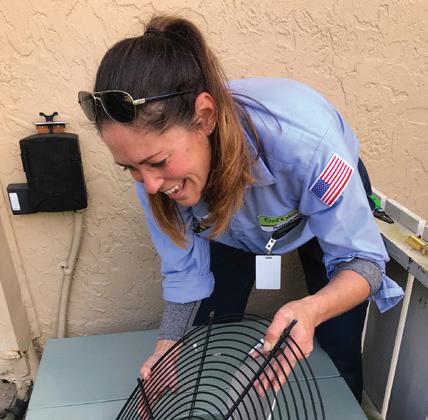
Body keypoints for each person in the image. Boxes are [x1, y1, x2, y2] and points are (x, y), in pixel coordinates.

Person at [78, 15, 403, 402]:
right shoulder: (154, 176)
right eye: (130, 168)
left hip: (318, 204)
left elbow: (363, 262)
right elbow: (184, 270)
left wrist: (312, 309)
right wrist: (169, 344)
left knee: (339, 336)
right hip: (231, 224)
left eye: (158, 161)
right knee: (208, 333)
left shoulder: (309, 149)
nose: (149, 186)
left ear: (204, 117)